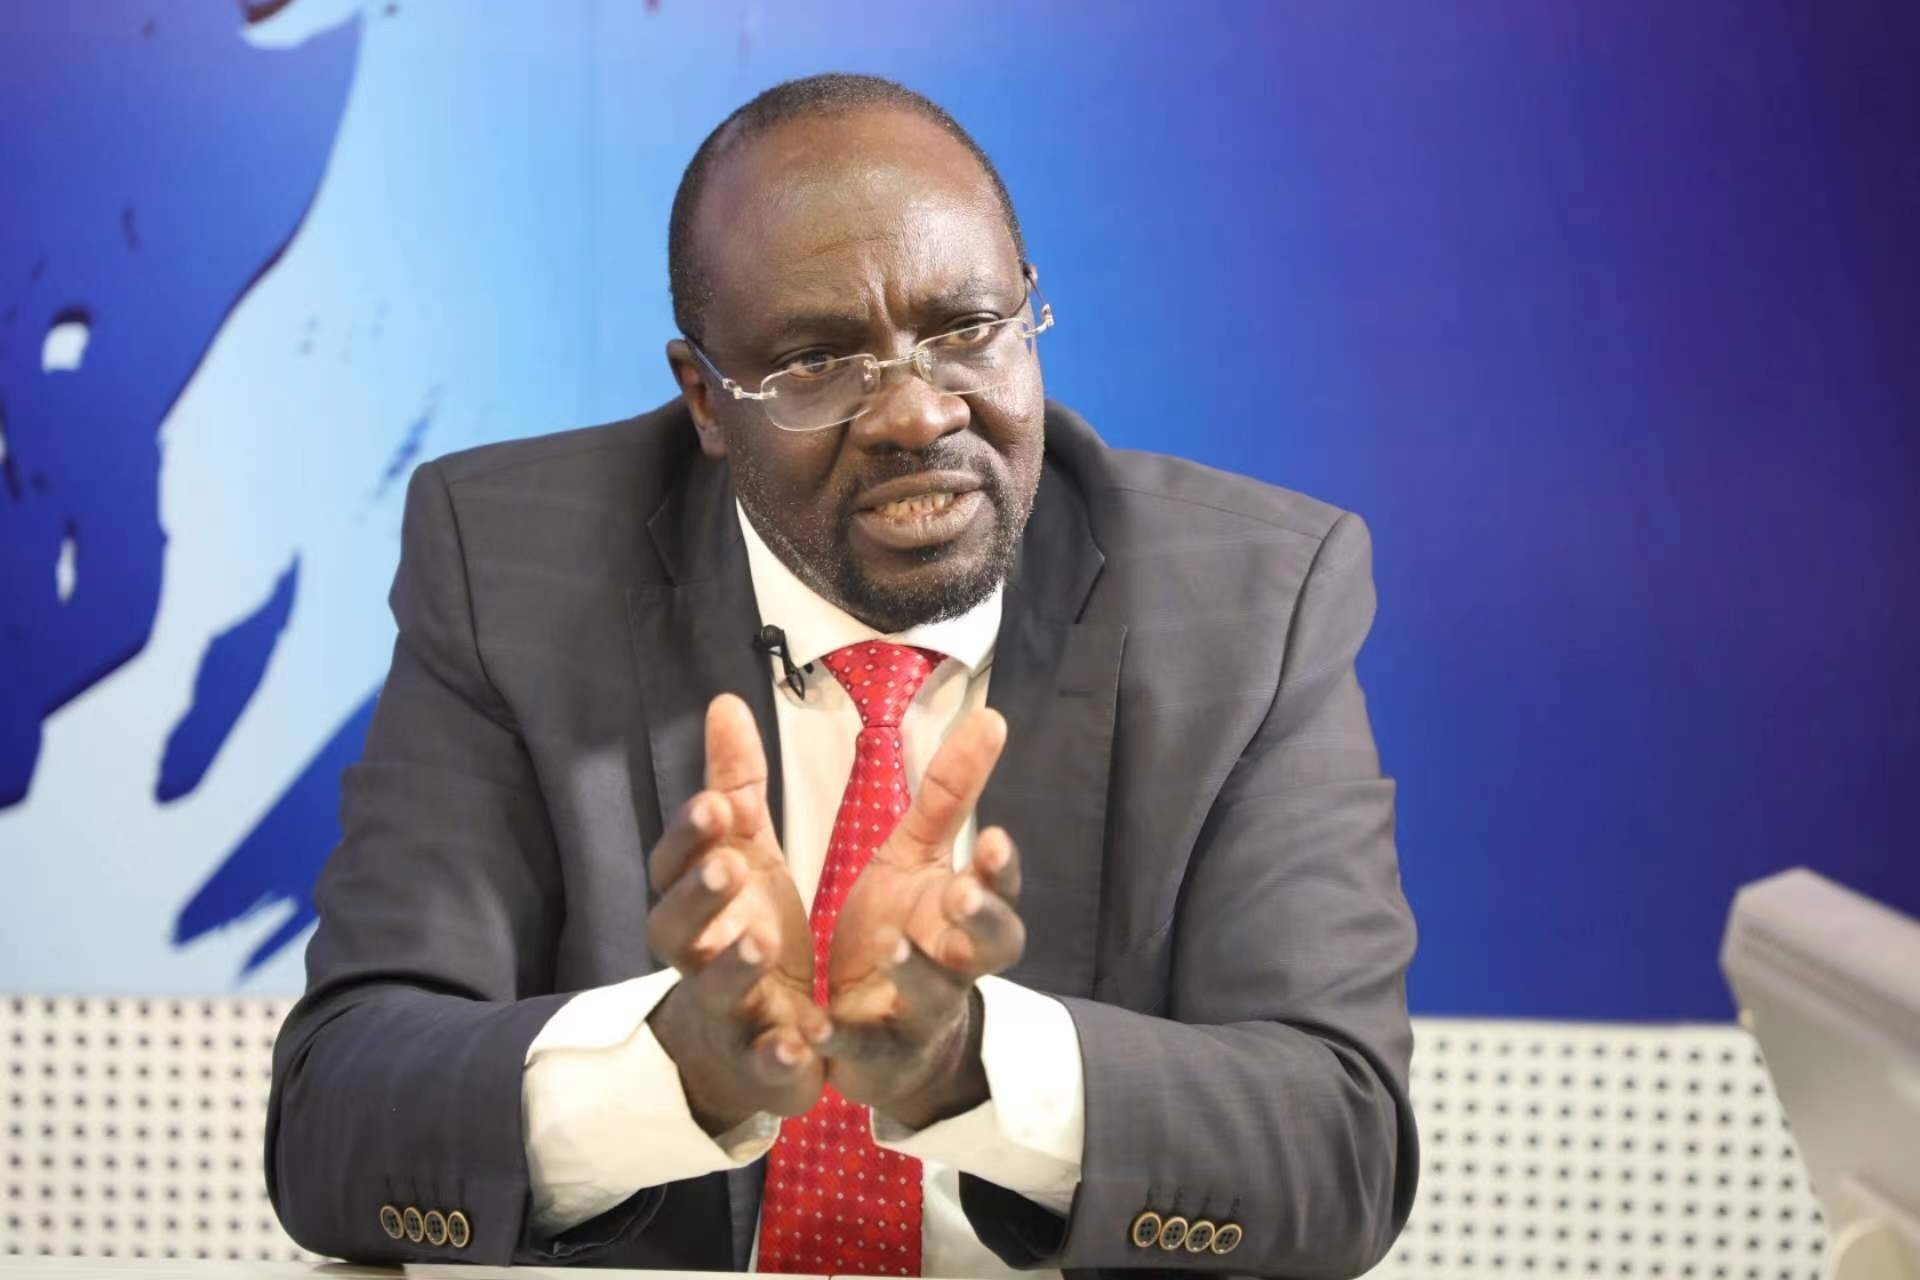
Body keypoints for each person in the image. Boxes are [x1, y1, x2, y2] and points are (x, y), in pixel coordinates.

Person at [266, 73, 1418, 1279]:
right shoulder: (509, 568)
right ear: (707, 400)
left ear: (1028, 315)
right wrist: (674, 1065)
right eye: (818, 361)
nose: (917, 414)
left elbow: (1339, 1145)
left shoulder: (1249, 605)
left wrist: (964, 1062)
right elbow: (338, 1119)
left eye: (967, 329)